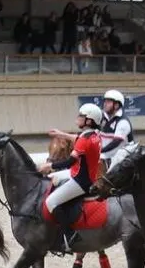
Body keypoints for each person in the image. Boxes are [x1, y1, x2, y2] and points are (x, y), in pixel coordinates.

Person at [40, 103, 103, 251]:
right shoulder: (94, 135)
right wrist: (60, 134)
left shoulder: (84, 140)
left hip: (80, 180)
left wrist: (49, 166)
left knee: (51, 202)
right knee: (52, 178)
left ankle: (70, 234)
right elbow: (76, 137)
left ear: (89, 121)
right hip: (81, 174)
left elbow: (70, 162)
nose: (78, 118)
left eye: (81, 116)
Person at [99, 90, 134, 166]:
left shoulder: (123, 122)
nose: (105, 104)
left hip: (121, 161)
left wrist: (100, 151)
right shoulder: (102, 117)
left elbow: (115, 143)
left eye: (108, 102)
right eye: (105, 101)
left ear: (116, 105)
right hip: (106, 156)